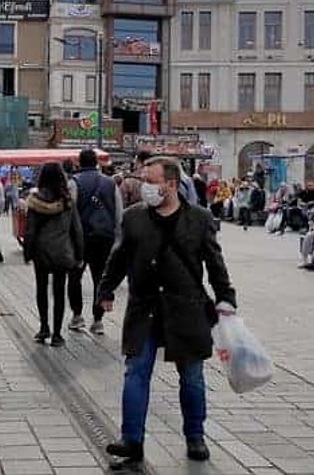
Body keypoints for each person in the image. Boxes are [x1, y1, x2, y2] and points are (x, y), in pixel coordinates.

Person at [97, 157, 237, 466]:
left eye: (151, 181)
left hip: (185, 306)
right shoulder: (134, 217)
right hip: (144, 306)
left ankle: (194, 436)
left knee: (191, 376)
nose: (145, 186)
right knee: (136, 372)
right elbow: (119, 258)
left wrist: (226, 298)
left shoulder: (199, 218)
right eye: (144, 179)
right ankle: (131, 440)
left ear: (171, 185)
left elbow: (215, 263)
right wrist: (105, 290)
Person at [25, 162, 84, 347]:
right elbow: (77, 230)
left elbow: (30, 231)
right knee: (59, 292)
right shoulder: (67, 200)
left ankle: (44, 327)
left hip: (41, 252)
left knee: (41, 289)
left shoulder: (35, 200)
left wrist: (28, 251)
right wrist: (79, 253)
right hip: (62, 251)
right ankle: (57, 334)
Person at [67, 149, 123, 335]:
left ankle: (77, 316)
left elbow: (70, 211)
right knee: (100, 278)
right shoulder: (111, 183)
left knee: (75, 277)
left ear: (79, 163)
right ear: (97, 162)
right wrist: (118, 238)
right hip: (104, 237)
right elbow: (118, 212)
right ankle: (98, 320)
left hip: (80, 238)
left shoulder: (73, 183)